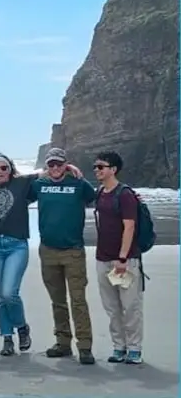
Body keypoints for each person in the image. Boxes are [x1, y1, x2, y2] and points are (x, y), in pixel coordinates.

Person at [0, 152, 82, 356]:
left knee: (9, 293)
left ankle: (21, 327)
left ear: (10, 168)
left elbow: (47, 172)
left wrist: (68, 167)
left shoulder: (22, 183)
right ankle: (7, 338)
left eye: (3, 167)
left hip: (16, 245)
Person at [27, 148, 96, 364]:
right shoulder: (39, 184)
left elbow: (98, 199)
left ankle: (84, 346)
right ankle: (63, 343)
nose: (55, 168)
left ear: (66, 164)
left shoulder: (79, 183)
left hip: (73, 251)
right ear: (46, 166)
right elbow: (18, 190)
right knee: (57, 301)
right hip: (48, 251)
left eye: (59, 164)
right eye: (51, 165)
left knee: (78, 300)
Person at [92, 150, 144, 365]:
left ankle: (134, 349)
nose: (96, 170)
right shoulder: (100, 192)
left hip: (124, 260)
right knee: (112, 307)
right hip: (102, 258)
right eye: (95, 167)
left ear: (113, 169)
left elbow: (129, 226)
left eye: (101, 167)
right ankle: (119, 346)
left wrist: (122, 258)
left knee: (130, 306)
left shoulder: (125, 194)